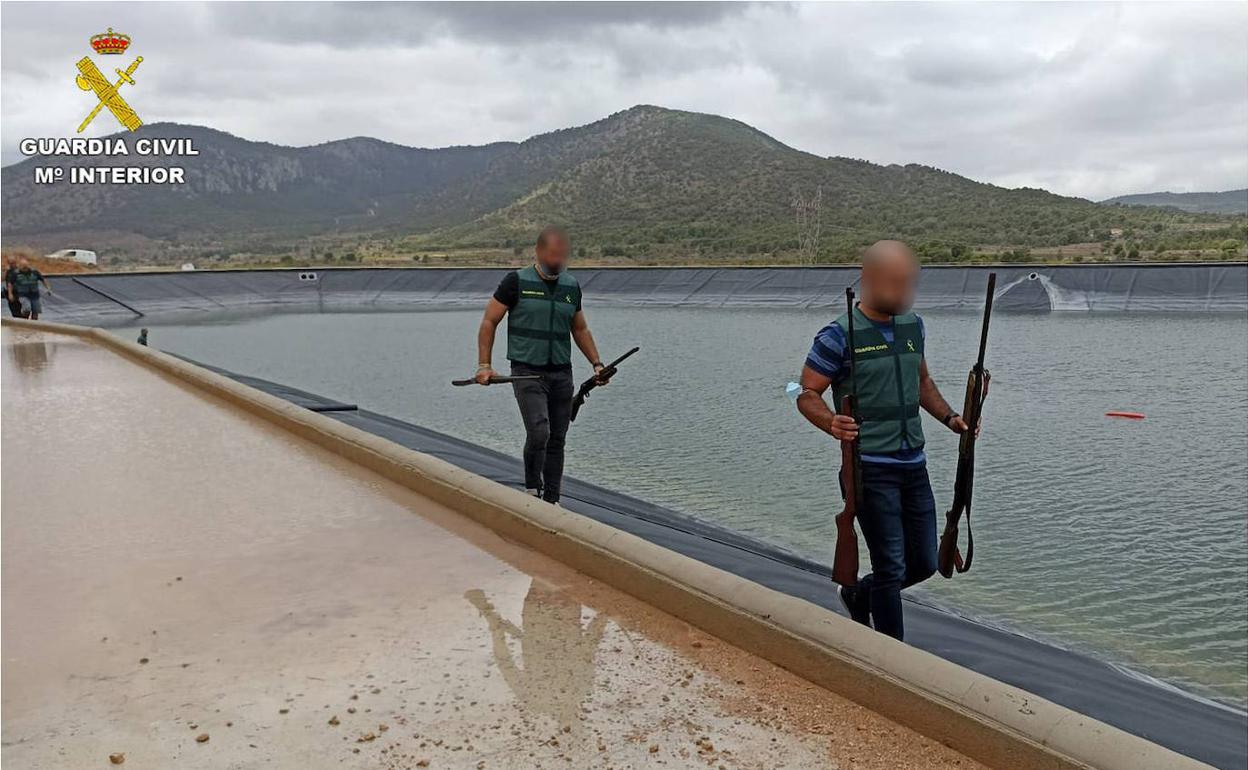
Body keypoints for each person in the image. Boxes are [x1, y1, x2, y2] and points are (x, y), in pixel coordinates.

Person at [795, 240, 973, 642]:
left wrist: (951, 417)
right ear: (869, 281)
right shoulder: (837, 335)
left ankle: (859, 594)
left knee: (925, 563)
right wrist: (829, 421)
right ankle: (893, 656)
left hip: (914, 464)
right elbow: (800, 390)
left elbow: (922, 382)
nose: (903, 292)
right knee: (891, 567)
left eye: (909, 283)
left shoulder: (914, 326)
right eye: (894, 283)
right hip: (869, 468)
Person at [475, 226, 605, 504]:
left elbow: (580, 329)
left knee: (557, 438)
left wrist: (597, 364)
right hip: (526, 373)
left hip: (561, 372)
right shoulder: (515, 281)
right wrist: (484, 365)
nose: (557, 261)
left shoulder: (571, 286)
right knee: (539, 432)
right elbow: (489, 322)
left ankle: (552, 500)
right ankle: (532, 491)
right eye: (553, 255)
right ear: (538, 251)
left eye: (562, 256)